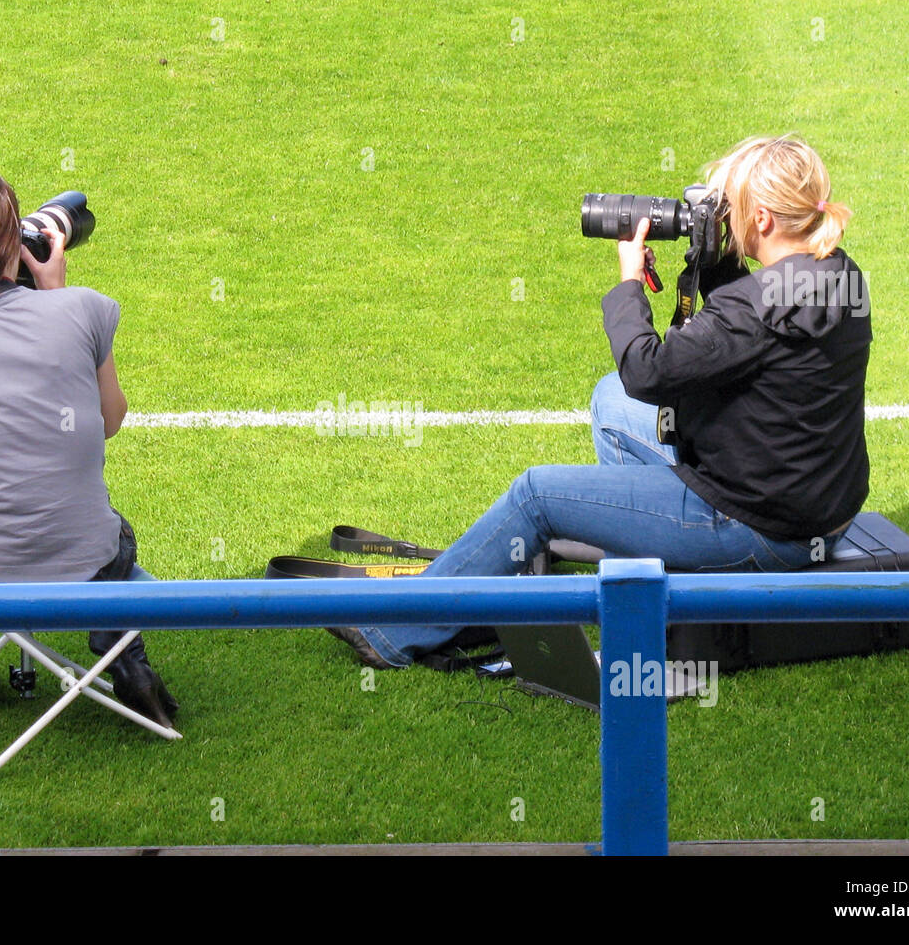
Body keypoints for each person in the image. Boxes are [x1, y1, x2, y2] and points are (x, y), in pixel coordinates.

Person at [328, 135, 871, 669]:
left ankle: (392, 633)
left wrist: (630, 281)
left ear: (762, 221)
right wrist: (719, 264)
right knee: (610, 403)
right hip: (815, 506)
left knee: (534, 495)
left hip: (756, 527)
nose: (721, 216)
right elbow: (746, 345)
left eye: (730, 206)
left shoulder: (753, 311)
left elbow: (646, 370)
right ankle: (645, 572)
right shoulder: (838, 275)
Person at [0, 171, 178, 727]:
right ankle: (129, 663)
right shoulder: (85, 309)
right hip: (94, 565)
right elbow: (110, 421)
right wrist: (58, 295)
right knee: (95, 514)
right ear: (15, 244)